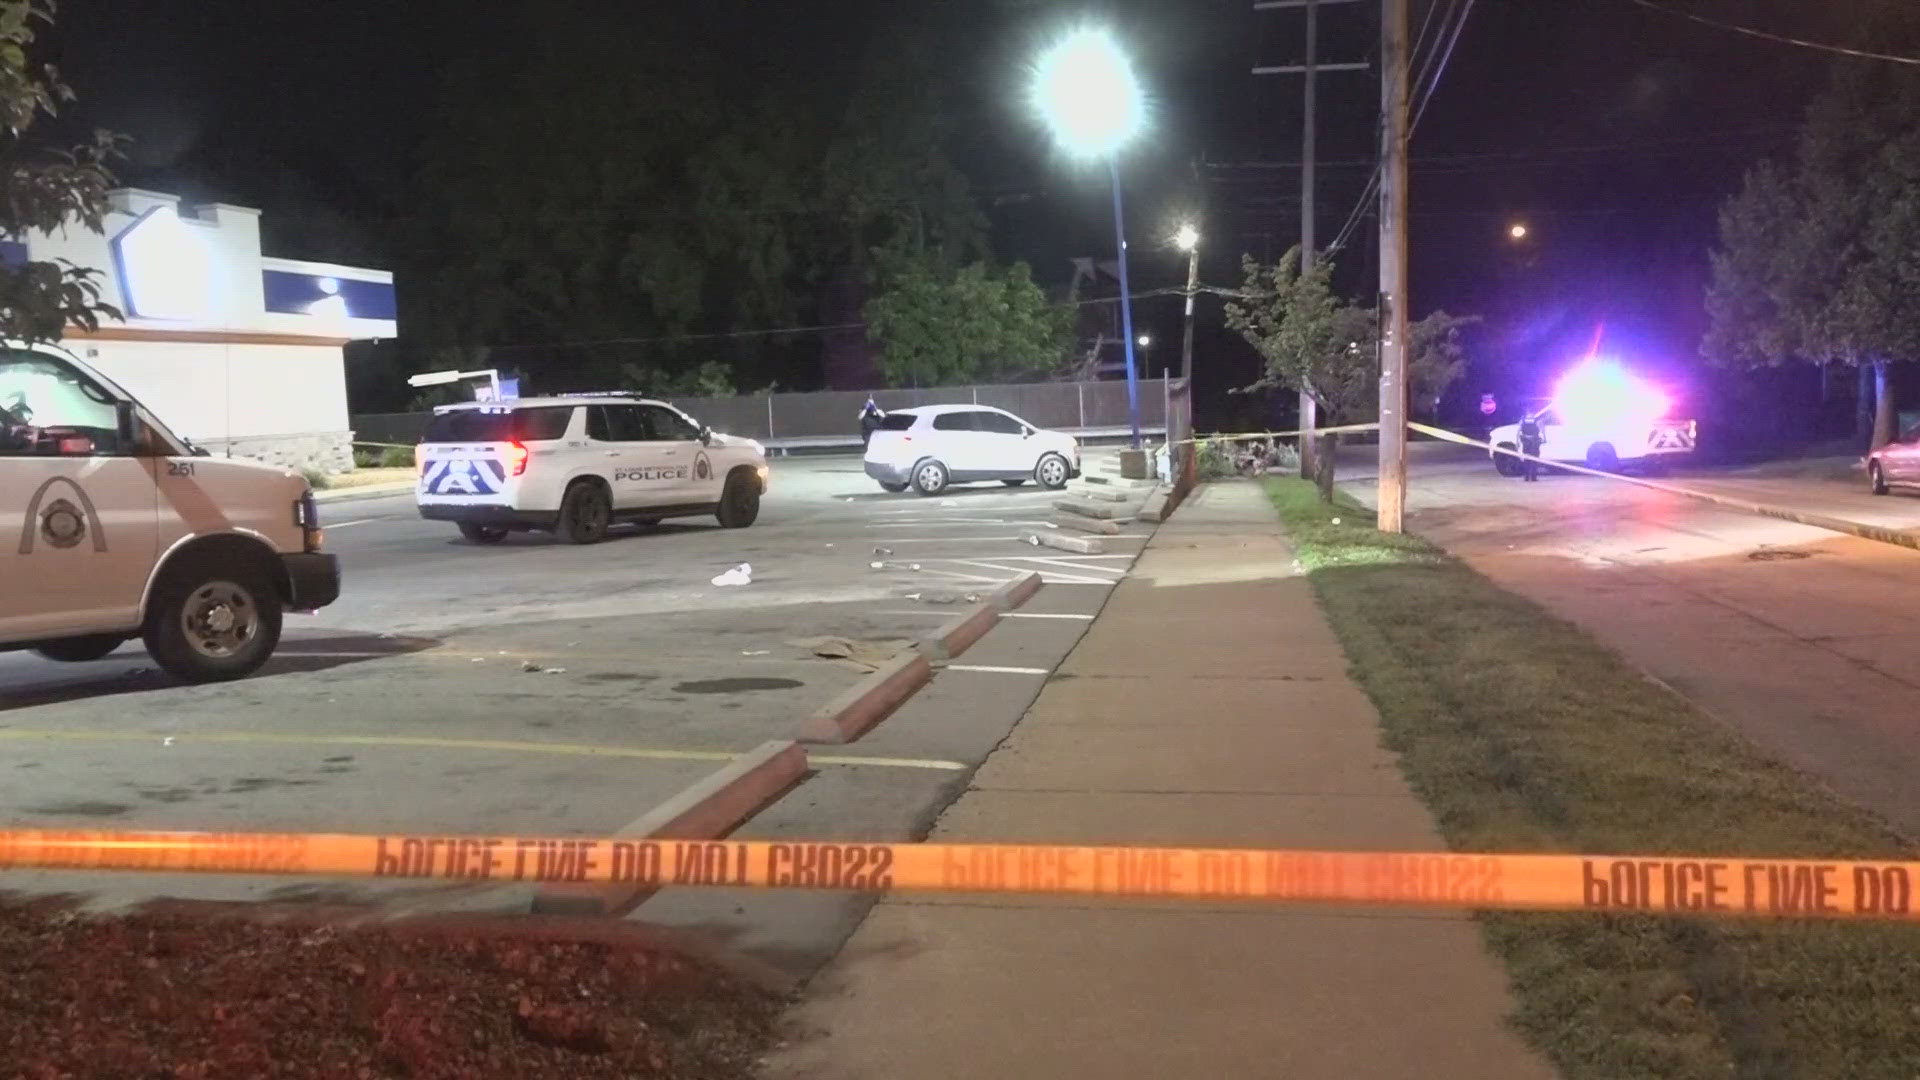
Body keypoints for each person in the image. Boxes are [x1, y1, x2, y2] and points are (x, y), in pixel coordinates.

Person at [1518, 413, 1543, 482]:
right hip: (1534, 443)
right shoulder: (1537, 421)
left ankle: (1526, 477)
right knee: (1534, 461)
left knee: (1527, 461)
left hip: (1526, 443)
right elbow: (1540, 431)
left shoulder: (1522, 421)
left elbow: (1519, 432)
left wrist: (1518, 441)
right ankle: (1533, 477)